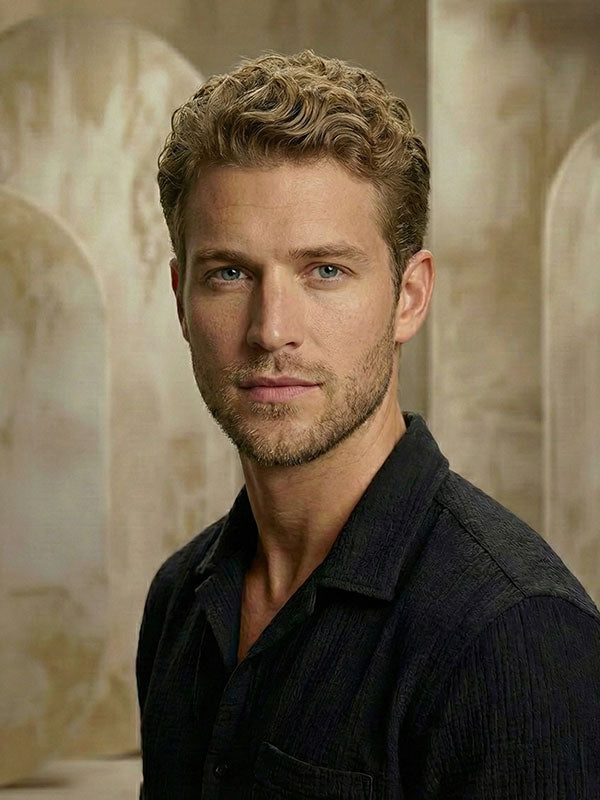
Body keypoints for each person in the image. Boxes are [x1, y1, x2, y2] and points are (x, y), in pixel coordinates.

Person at [136, 50, 600, 799]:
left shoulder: (514, 635)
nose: (271, 330)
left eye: (325, 271)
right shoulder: (178, 601)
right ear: (180, 298)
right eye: (229, 272)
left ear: (409, 298)